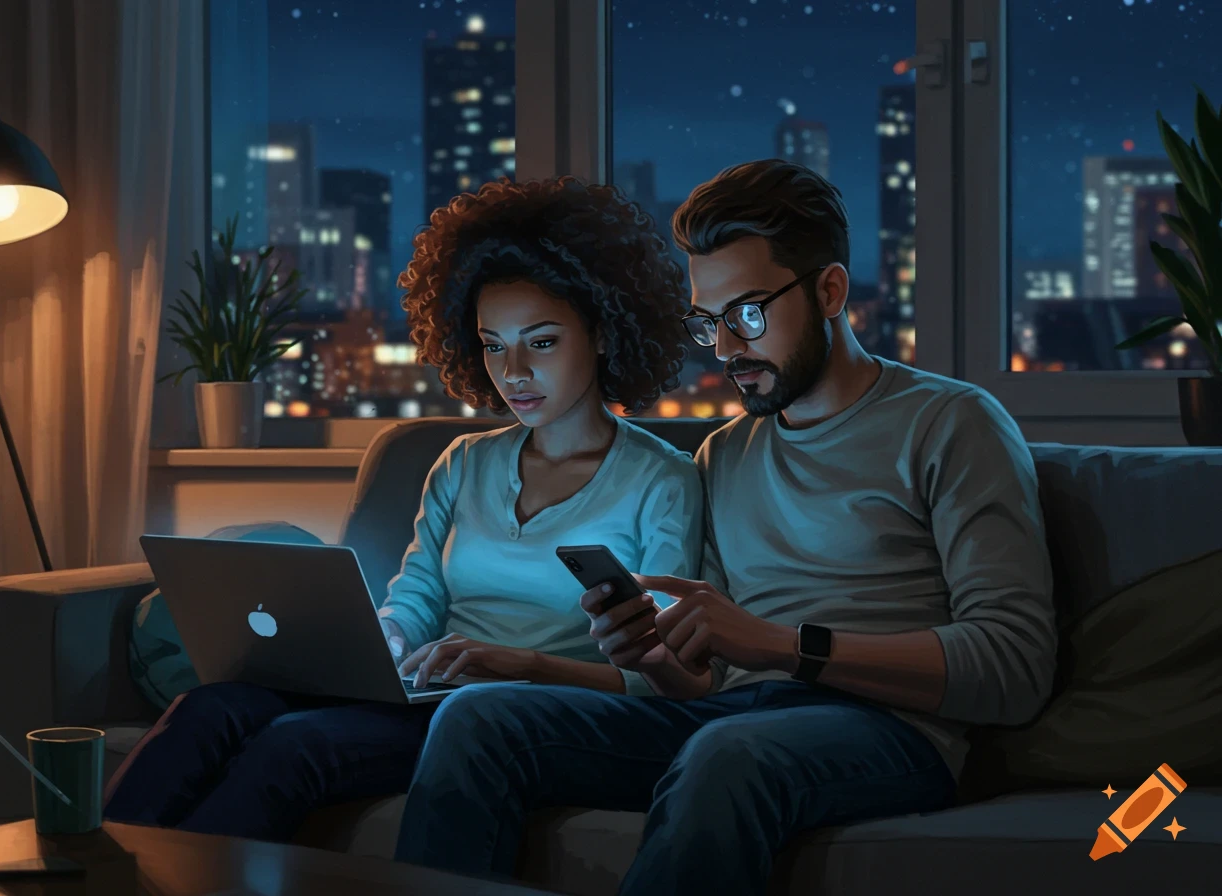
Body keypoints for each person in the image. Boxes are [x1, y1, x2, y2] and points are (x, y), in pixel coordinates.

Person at [392, 159, 1058, 896]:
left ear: (830, 291)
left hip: (888, 732)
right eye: (708, 323)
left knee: (728, 753)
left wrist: (779, 644)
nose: (725, 350)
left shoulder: (949, 423)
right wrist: (651, 654)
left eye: (746, 315)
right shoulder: (725, 453)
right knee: (479, 721)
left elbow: (1014, 664)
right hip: (738, 716)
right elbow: (702, 684)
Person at [103, 176, 704, 841]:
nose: (513, 372)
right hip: (424, 686)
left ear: (602, 333)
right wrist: (386, 637)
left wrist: (517, 663)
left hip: (515, 714)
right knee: (208, 708)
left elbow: (655, 680)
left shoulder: (663, 480)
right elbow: (416, 594)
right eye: (492, 344)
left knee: (292, 748)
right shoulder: (462, 462)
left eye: (541, 342)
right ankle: (84, 870)